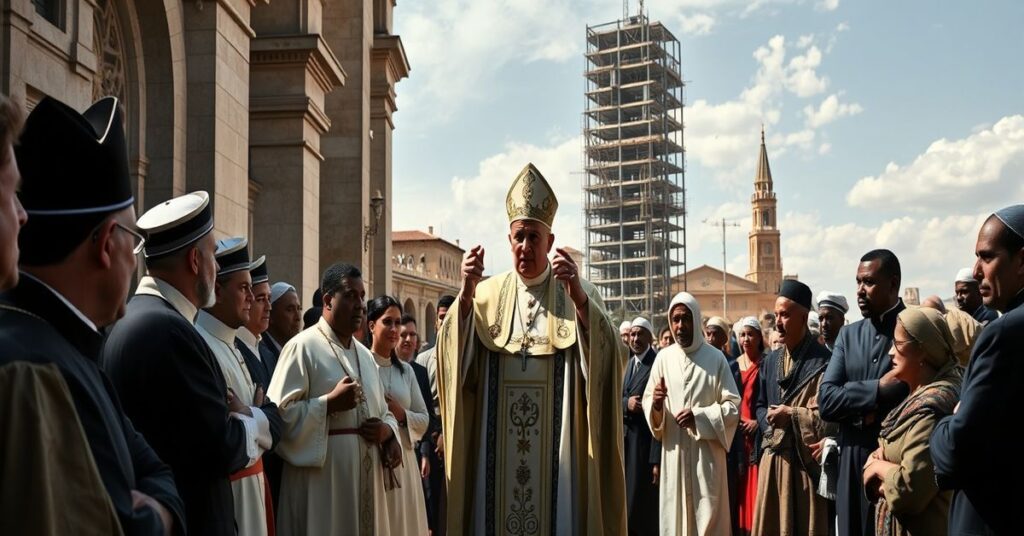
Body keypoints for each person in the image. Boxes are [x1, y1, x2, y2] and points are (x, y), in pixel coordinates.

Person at [0, 95, 184, 535]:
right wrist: (156, 515)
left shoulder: (70, 347)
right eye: (133, 241)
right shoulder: (35, 372)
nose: (20, 215)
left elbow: (157, 473)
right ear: (105, 244)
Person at [436, 163, 626, 534]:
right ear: (509, 240)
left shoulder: (575, 292)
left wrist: (582, 304)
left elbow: (611, 359)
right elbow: (456, 366)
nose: (525, 246)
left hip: (560, 456)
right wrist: (465, 294)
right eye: (519, 236)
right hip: (495, 459)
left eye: (534, 238)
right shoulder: (485, 295)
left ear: (550, 241)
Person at [102, 191, 254, 536]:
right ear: (195, 262)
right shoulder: (168, 330)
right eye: (213, 256)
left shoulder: (144, 318)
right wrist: (249, 420)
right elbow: (219, 446)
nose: (218, 268)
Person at [267, 262, 401, 535]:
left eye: (362, 296)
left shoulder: (365, 356)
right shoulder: (301, 347)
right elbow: (277, 418)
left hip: (365, 484)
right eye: (351, 296)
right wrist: (327, 405)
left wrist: (389, 433)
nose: (361, 305)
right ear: (328, 300)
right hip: (321, 491)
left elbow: (382, 409)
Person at [931, 205, 1024, 535]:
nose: (976, 271)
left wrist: (944, 422)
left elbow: (955, 450)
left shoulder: (1003, 334)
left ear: (1021, 261)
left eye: (987, 257)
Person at [819, 249, 909, 536]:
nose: (860, 290)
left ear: (892, 284)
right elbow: (827, 400)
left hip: (895, 459)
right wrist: (877, 390)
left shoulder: (913, 329)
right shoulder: (849, 334)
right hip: (852, 457)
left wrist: (854, 397)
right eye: (858, 281)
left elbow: (909, 389)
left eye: (868, 282)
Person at [196, 238, 282, 536]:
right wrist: (258, 417)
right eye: (244, 288)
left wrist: (250, 414)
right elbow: (224, 436)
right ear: (217, 290)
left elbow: (274, 418)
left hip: (255, 486)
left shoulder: (231, 342)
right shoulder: (201, 344)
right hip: (232, 494)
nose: (251, 297)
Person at [643, 292, 740, 536]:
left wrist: (699, 417)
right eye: (675, 320)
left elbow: (732, 408)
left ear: (696, 320)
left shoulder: (716, 359)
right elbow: (650, 405)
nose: (680, 326)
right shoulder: (663, 358)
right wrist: (655, 405)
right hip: (673, 458)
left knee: (707, 519)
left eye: (685, 319)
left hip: (705, 461)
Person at [861, 307, 960, 536]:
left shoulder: (933, 409)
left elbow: (910, 493)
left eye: (898, 344)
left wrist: (878, 467)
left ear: (922, 350)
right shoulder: (917, 397)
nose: (890, 352)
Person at [752, 280, 836, 536]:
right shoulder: (771, 361)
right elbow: (759, 405)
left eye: (785, 315)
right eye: (776, 314)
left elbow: (829, 417)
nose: (779, 321)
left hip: (803, 470)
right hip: (772, 463)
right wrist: (769, 423)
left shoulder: (824, 362)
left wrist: (792, 415)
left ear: (803, 317)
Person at [367, 297, 430, 536]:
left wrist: (401, 414)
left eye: (397, 322)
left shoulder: (406, 372)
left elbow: (424, 420)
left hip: (404, 464)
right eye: (387, 322)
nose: (394, 329)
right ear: (372, 325)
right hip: (372, 463)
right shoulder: (360, 364)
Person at [398, 313, 445, 536]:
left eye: (412, 335)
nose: (408, 339)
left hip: (418, 452)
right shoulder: (374, 366)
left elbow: (426, 416)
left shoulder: (419, 372)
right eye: (403, 334)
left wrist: (425, 454)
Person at [622, 317, 660, 535]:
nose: (635, 339)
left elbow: (660, 413)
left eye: (640, 334)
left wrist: (656, 459)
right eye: (632, 335)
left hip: (645, 447)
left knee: (641, 505)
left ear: (649, 337)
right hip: (627, 444)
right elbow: (618, 398)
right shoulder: (628, 363)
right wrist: (626, 404)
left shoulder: (656, 364)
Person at [734, 317, 764, 536]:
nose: (746, 339)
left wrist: (758, 423)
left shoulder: (768, 363)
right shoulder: (733, 365)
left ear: (759, 337)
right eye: (742, 334)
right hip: (736, 437)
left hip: (758, 437)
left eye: (750, 334)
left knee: (756, 490)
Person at [237, 255, 274, 390]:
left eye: (269, 298)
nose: (269, 307)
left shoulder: (267, 353)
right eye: (260, 299)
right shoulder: (235, 349)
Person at [264, 281, 302, 371]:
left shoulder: (296, 351)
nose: (298, 317)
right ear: (271, 315)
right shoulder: (263, 353)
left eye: (299, 309)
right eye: (290, 310)